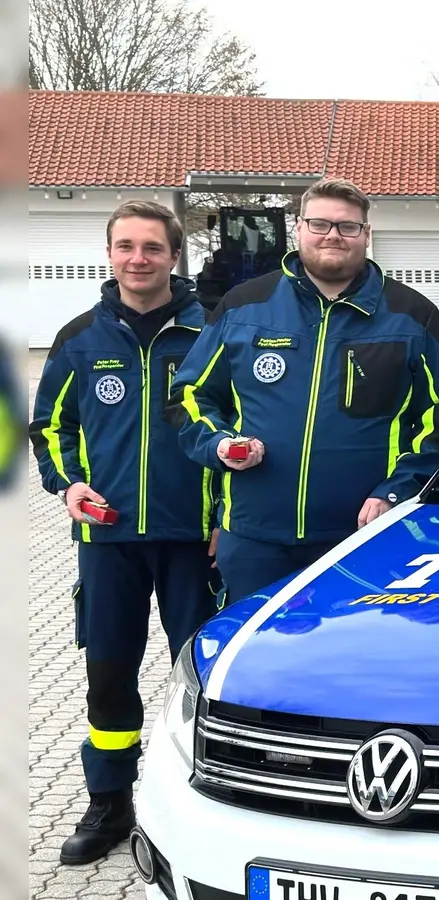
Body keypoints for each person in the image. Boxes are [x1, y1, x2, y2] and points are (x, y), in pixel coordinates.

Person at [28, 200, 222, 865]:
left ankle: (201, 802)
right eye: (125, 246)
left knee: (196, 671)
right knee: (108, 674)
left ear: (175, 256)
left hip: (195, 540)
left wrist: (227, 517)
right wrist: (67, 484)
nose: (138, 258)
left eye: (151, 247)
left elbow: (241, 430)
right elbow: (51, 428)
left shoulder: (213, 334)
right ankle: (109, 801)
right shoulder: (79, 339)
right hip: (107, 542)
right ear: (109, 254)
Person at [168, 177, 439, 601]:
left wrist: (396, 489)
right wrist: (218, 444)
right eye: (320, 224)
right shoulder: (244, 305)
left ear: (366, 235)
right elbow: (189, 395)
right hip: (255, 539)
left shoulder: (411, 315)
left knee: (354, 659)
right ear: (299, 228)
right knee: (256, 661)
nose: (333, 235)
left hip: (362, 536)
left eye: (348, 226)